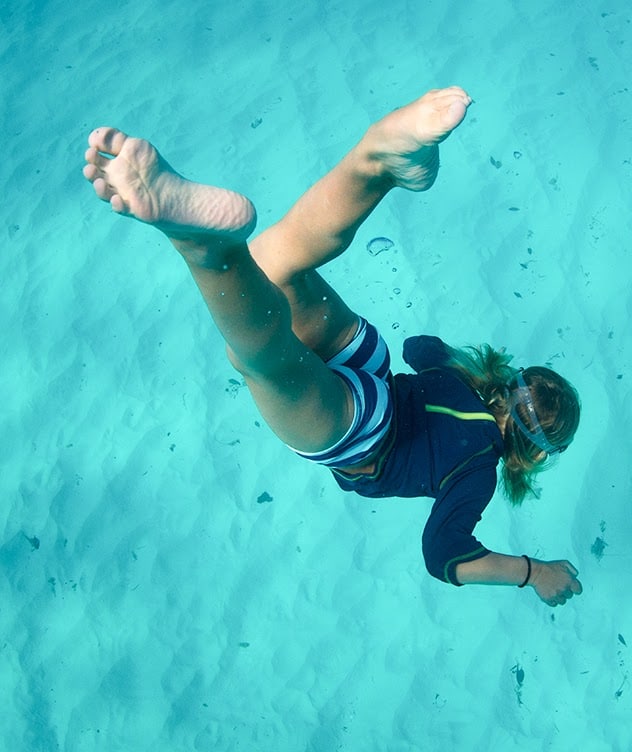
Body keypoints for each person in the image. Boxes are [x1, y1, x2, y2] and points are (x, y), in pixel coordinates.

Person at [81, 87, 584, 607]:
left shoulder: (459, 380)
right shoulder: (478, 469)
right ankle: (202, 247)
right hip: (362, 434)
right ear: (534, 453)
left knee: (283, 263)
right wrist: (533, 572)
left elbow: (418, 346)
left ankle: (375, 161)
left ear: (515, 383)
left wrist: (470, 372)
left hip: (372, 362)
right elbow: (444, 556)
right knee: (262, 360)